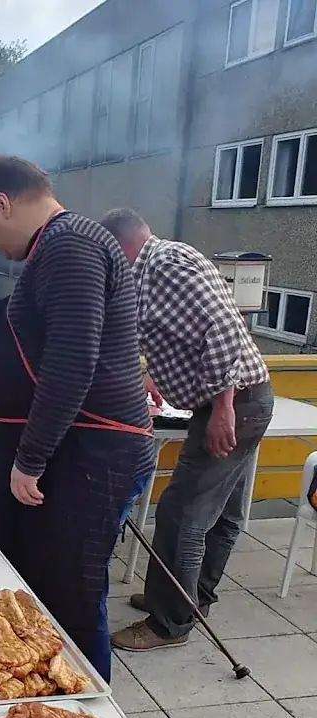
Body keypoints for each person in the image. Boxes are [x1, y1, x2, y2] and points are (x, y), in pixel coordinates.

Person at [0, 155, 155, 682]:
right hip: (84, 446)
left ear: (3, 203)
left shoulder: (69, 244)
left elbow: (72, 363)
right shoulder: (60, 246)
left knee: (73, 591)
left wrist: (29, 459)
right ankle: (51, 694)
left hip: (101, 450)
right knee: (51, 585)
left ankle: (91, 711)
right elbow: (33, 352)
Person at [99, 209, 274, 651]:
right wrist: (156, 373)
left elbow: (223, 329)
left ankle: (169, 623)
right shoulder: (162, 264)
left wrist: (222, 408)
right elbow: (181, 332)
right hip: (241, 399)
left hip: (236, 402)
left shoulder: (165, 267)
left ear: (122, 246)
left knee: (182, 513)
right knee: (224, 512)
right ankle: (193, 598)